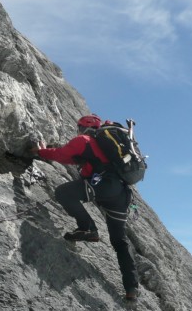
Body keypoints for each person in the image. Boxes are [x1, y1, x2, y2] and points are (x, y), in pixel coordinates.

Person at [32, 114, 140, 300]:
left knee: (63, 193)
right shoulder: (103, 147)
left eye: (79, 128)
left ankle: (88, 228)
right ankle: (132, 288)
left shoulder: (84, 140)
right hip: (120, 194)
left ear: (83, 128)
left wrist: (40, 152)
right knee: (119, 241)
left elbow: (62, 154)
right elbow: (73, 159)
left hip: (103, 186)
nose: (78, 131)